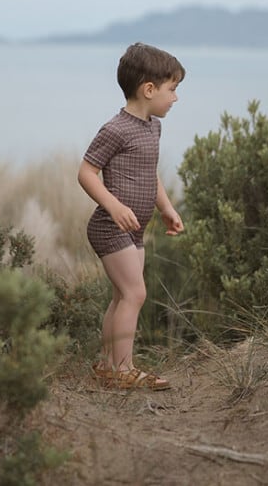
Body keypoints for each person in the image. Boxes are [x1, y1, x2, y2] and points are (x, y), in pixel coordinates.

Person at [77, 42, 185, 390]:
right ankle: (123, 369)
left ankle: (108, 365)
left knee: (122, 296)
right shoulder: (116, 129)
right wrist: (114, 205)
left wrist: (165, 208)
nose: (176, 98)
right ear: (149, 89)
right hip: (109, 226)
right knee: (135, 294)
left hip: (134, 230)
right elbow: (86, 173)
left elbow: (150, 173)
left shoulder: (153, 127)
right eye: (172, 89)